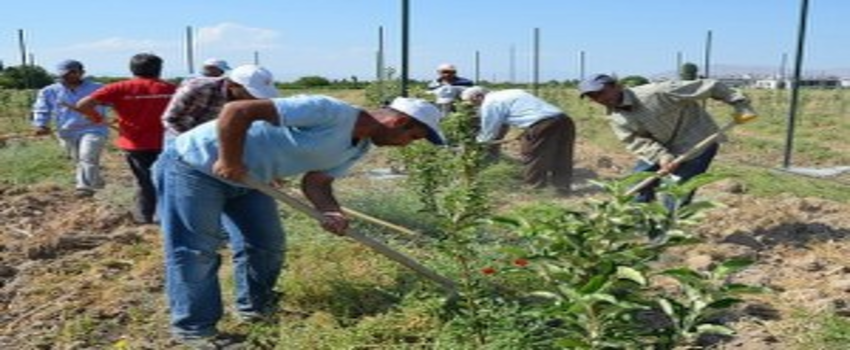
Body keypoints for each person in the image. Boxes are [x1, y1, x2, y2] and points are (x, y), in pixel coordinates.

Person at [154, 95, 445, 344]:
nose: (407, 144)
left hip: (251, 180)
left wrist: (331, 212)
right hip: (195, 166)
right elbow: (238, 110)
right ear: (399, 122)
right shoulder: (328, 111)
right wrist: (230, 159)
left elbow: (317, 183)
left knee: (267, 244)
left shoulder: (358, 148)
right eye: (413, 137)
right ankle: (196, 330)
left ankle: (255, 308)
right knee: (195, 251)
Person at [578, 73, 757, 206]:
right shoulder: (615, 116)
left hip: (695, 143)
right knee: (637, 184)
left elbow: (711, 86)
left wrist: (740, 104)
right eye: (593, 96)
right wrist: (661, 156)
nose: (599, 99)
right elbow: (635, 140)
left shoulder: (657, 92)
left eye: (601, 92)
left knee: (675, 193)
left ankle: (665, 238)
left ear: (616, 85)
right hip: (662, 146)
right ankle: (636, 226)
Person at [77, 53, 177, 224]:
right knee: (168, 179)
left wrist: (96, 117)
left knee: (144, 181)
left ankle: (145, 218)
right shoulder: (172, 89)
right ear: (159, 69)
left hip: (135, 143)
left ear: (132, 69)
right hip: (167, 142)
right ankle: (170, 216)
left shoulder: (119, 88)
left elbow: (82, 105)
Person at [461, 86, 576, 195]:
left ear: (478, 96)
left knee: (533, 155)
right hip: (564, 120)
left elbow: (489, 131)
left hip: (542, 124)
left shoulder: (490, 103)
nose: (475, 106)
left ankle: (535, 190)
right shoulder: (511, 92)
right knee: (562, 155)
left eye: (473, 103)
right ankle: (562, 188)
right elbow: (527, 112)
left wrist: (477, 145)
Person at [31, 59, 109, 197]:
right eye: (63, 74)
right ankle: (97, 182)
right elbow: (41, 109)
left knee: (87, 155)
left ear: (81, 73)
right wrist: (41, 124)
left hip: (94, 128)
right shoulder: (49, 91)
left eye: (72, 73)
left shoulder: (98, 88)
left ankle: (84, 187)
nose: (66, 76)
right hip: (67, 131)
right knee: (79, 159)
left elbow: (115, 102)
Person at [161, 64, 279, 144]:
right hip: (182, 138)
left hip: (217, 141)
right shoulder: (198, 87)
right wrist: (193, 142)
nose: (254, 98)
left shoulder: (249, 100)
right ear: (233, 85)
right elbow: (171, 119)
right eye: (251, 93)